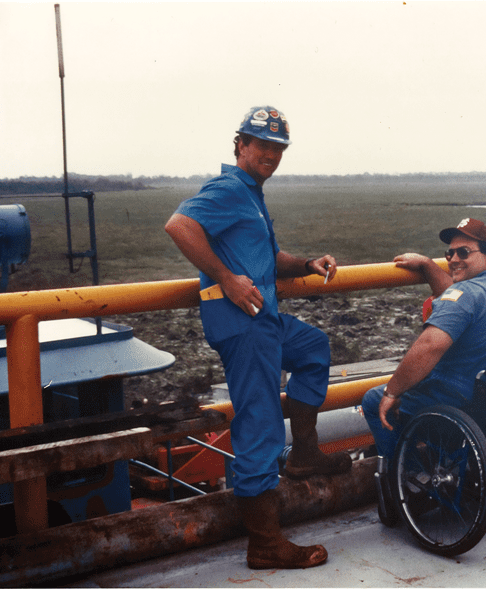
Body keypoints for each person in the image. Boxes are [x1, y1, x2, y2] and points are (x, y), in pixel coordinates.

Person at [164, 106, 351, 570]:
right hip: (243, 325)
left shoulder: (251, 195)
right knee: (260, 423)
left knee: (313, 348)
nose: (270, 153)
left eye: (277, 147)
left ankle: (305, 453)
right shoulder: (229, 188)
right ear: (240, 145)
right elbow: (179, 226)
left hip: (264, 319)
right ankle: (264, 542)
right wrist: (227, 278)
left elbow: (268, 258)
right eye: (261, 144)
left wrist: (306, 263)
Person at [361, 218, 486, 461]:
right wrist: (427, 265)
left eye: (464, 252)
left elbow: (429, 346)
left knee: (374, 400)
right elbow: (460, 297)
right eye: (450, 253)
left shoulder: (466, 294)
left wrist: (392, 392)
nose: (454, 259)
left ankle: (409, 480)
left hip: (460, 405)